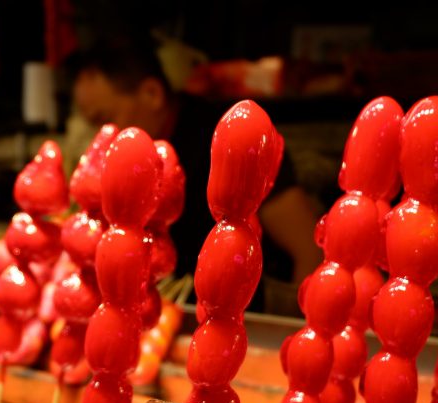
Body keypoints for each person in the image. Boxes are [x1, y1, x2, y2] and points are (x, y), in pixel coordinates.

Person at [68, 39, 322, 310]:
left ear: (152, 94)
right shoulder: (130, 162)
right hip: (167, 313)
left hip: (240, 317)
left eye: (105, 118)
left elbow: (308, 250)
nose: (104, 135)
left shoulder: (230, 140)